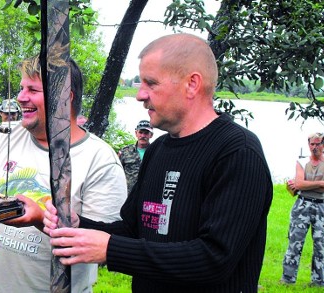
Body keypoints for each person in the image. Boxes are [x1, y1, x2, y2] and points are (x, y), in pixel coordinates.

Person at [43, 33, 273, 293]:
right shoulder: (158, 150)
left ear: (192, 84)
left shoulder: (237, 152)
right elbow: (133, 229)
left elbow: (214, 259)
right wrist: (80, 226)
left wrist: (109, 250)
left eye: (151, 83)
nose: (140, 95)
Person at [0, 54, 127, 292]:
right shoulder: (7, 136)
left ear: (65, 97)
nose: (20, 97)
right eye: (21, 88)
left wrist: (39, 219)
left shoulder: (99, 160)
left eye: (32, 90)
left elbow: (102, 248)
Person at [282, 132, 324, 286]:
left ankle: (318, 281)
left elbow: (301, 184)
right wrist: (319, 183)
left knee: (321, 245)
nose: (314, 147)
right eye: (312, 144)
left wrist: (305, 183)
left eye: (318, 143)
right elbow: (298, 184)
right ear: (308, 145)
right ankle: (288, 279)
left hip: (321, 207)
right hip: (302, 205)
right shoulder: (302, 162)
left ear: (323, 145)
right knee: (295, 242)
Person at [118, 120, 153, 192]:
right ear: (136, 133)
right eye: (140, 132)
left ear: (151, 135)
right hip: (128, 194)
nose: (143, 136)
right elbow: (116, 173)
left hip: (148, 193)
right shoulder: (125, 151)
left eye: (146, 133)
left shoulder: (156, 151)